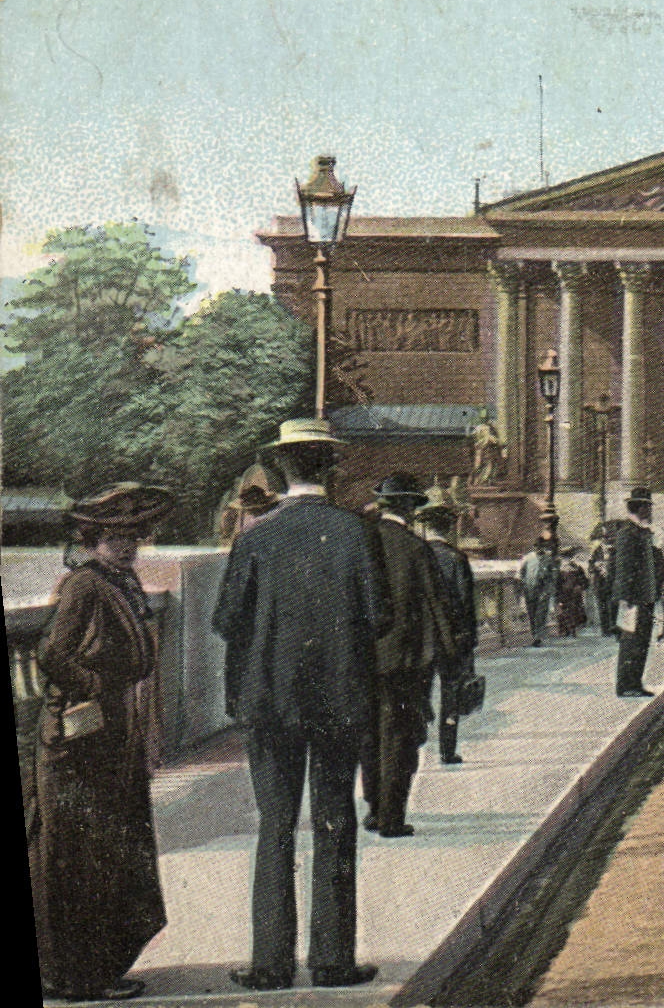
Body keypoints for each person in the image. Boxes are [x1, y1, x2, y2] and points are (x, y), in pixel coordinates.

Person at [212, 418, 387, 991]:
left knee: (276, 826)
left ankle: (271, 964)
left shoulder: (254, 537)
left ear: (280, 469)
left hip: (269, 703)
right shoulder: (356, 534)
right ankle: (333, 960)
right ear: (329, 467)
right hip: (340, 699)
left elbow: (225, 621)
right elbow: (380, 617)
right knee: (334, 823)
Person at [30, 483, 174, 1002]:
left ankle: (96, 966)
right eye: (118, 537)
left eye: (134, 535)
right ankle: (79, 976)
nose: (130, 545)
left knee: (108, 848)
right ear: (94, 538)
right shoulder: (85, 585)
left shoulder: (120, 578)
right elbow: (51, 654)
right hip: (79, 741)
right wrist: (95, 686)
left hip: (111, 735)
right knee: (80, 853)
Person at [361, 474, 455, 838]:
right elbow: (437, 605)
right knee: (400, 738)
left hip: (365, 658)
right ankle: (392, 818)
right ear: (411, 508)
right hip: (406, 661)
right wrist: (451, 659)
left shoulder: (362, 541)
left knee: (370, 735)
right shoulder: (416, 548)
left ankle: (372, 809)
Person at [418, 497, 477, 765]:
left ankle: (416, 744)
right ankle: (447, 750)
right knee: (450, 693)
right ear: (449, 529)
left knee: (419, 692)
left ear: (425, 528)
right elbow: (466, 603)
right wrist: (470, 640)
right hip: (451, 638)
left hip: (420, 639)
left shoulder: (415, 555)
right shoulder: (456, 558)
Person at [608, 487, 660, 697]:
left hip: (644, 597)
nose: (650, 510)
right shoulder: (628, 533)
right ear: (639, 508)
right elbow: (623, 568)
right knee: (631, 643)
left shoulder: (641, 532)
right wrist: (625, 599)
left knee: (641, 643)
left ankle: (635, 683)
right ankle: (626, 685)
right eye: (647, 506)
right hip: (633, 599)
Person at [518, 534, 558, 645]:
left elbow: (553, 576)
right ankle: (534, 634)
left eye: (540, 546)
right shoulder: (527, 558)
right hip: (530, 589)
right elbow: (520, 573)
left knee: (541, 614)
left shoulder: (548, 559)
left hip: (543, 590)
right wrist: (523, 586)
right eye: (536, 546)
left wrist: (549, 589)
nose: (538, 549)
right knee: (532, 613)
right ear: (534, 547)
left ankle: (538, 637)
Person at [555, 549, 589, 638]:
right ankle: (565, 630)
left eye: (568, 558)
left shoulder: (577, 568)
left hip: (574, 593)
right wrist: (557, 596)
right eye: (565, 558)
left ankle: (572, 629)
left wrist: (580, 587)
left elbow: (585, 581)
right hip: (563, 593)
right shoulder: (559, 570)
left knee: (574, 611)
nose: (566, 561)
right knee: (564, 611)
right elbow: (557, 584)